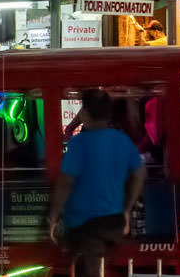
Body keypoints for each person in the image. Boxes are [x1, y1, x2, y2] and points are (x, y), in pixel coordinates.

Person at [48, 89, 146, 277]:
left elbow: (65, 183)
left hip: (86, 226)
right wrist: (126, 209)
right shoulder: (122, 140)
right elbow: (140, 173)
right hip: (114, 223)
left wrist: (54, 216)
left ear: (85, 113)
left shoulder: (79, 143)